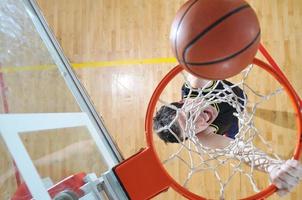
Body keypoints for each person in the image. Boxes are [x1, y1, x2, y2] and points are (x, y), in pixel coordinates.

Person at [153, 73, 302, 197]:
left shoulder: (198, 84)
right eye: (192, 129)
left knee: (242, 103)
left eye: (191, 115)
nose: (201, 121)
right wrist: (271, 167)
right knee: (234, 133)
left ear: (183, 101)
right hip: (230, 123)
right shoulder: (204, 136)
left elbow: (198, 65)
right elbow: (239, 150)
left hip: (236, 96)